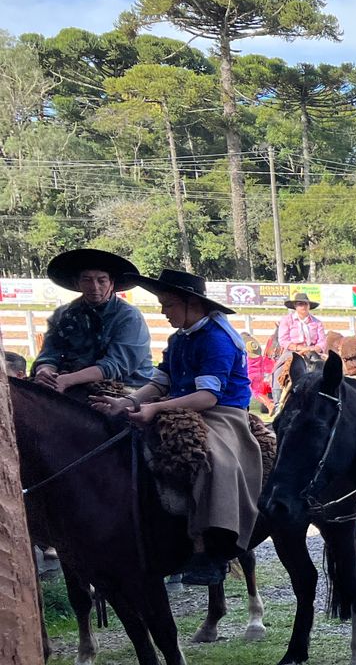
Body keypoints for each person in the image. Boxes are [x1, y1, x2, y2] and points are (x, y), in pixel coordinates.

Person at [91, 269, 261, 587]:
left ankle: (211, 549)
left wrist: (154, 408)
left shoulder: (217, 339)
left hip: (223, 415)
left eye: (168, 304)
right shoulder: (178, 338)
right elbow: (160, 382)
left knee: (214, 460)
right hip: (180, 405)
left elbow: (208, 397)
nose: (164, 311)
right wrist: (126, 404)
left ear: (191, 304)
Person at [31, 248, 154, 393]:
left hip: (126, 385)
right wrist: (44, 371)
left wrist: (69, 380)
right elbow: (50, 353)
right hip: (71, 381)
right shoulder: (63, 315)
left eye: (101, 280)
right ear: (77, 283)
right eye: (87, 280)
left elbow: (116, 365)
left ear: (111, 284)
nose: (94, 287)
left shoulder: (129, 317)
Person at [275, 292, 327, 362]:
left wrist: (314, 349)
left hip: (313, 352)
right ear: (295, 306)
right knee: (280, 368)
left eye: (306, 304)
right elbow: (283, 340)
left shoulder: (317, 323)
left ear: (309, 306)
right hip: (292, 352)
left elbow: (322, 341)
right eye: (300, 304)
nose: (303, 306)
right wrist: (298, 348)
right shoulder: (286, 320)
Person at [243, 335, 275, 414]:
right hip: (259, 374)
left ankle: (268, 404)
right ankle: (269, 404)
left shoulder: (245, 356)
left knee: (250, 392)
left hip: (250, 375)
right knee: (258, 392)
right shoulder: (258, 356)